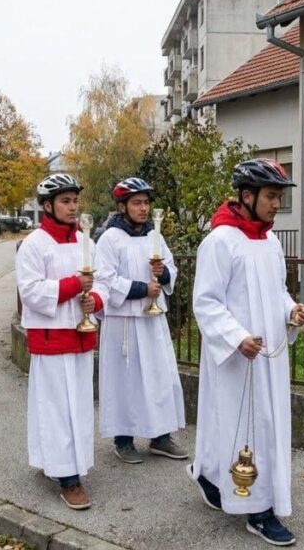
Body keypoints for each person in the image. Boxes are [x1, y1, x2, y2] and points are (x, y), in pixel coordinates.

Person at [188, 159, 304, 547]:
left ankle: (209, 475)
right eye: (272, 196)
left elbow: (275, 291)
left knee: (258, 423)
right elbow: (205, 302)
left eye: (279, 197)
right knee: (244, 426)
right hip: (237, 357)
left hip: (267, 359)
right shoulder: (220, 242)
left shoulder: (270, 241)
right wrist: (236, 336)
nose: (278, 205)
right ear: (247, 196)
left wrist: (290, 310)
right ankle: (258, 510)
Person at [15, 173, 107, 511]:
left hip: (81, 337)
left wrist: (95, 300)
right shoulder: (34, 245)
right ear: (47, 205)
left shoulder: (86, 242)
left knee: (78, 408)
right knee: (55, 409)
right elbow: (32, 291)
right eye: (65, 201)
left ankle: (54, 460)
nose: (72, 207)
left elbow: (105, 280)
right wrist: (74, 285)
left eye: (74, 201)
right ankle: (68, 478)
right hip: (53, 339)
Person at [94, 178, 187, 464]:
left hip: (152, 321)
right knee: (126, 381)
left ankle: (160, 437)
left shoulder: (155, 236)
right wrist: (142, 289)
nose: (144, 208)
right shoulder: (110, 238)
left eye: (146, 202)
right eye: (137, 202)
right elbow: (105, 279)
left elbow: (172, 268)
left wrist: (164, 274)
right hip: (123, 324)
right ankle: (124, 439)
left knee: (159, 377)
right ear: (122, 206)